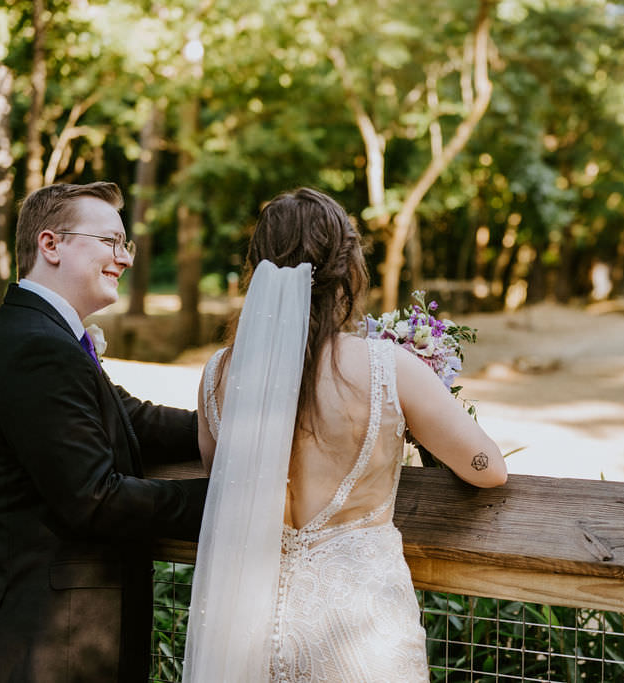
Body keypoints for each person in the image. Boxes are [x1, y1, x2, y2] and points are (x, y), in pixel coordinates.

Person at [182, 187, 508, 682]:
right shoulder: (387, 367)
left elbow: (226, 483)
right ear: (348, 268)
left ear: (257, 270)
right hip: (359, 629)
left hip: (249, 626)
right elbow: (489, 470)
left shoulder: (219, 375)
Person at [0, 182, 210, 683]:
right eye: (110, 242)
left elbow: (131, 417)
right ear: (50, 245)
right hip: (48, 648)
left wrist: (241, 431)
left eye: (126, 245)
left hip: (58, 641)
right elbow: (95, 497)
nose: (125, 259)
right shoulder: (37, 346)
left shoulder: (44, 332)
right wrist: (229, 502)